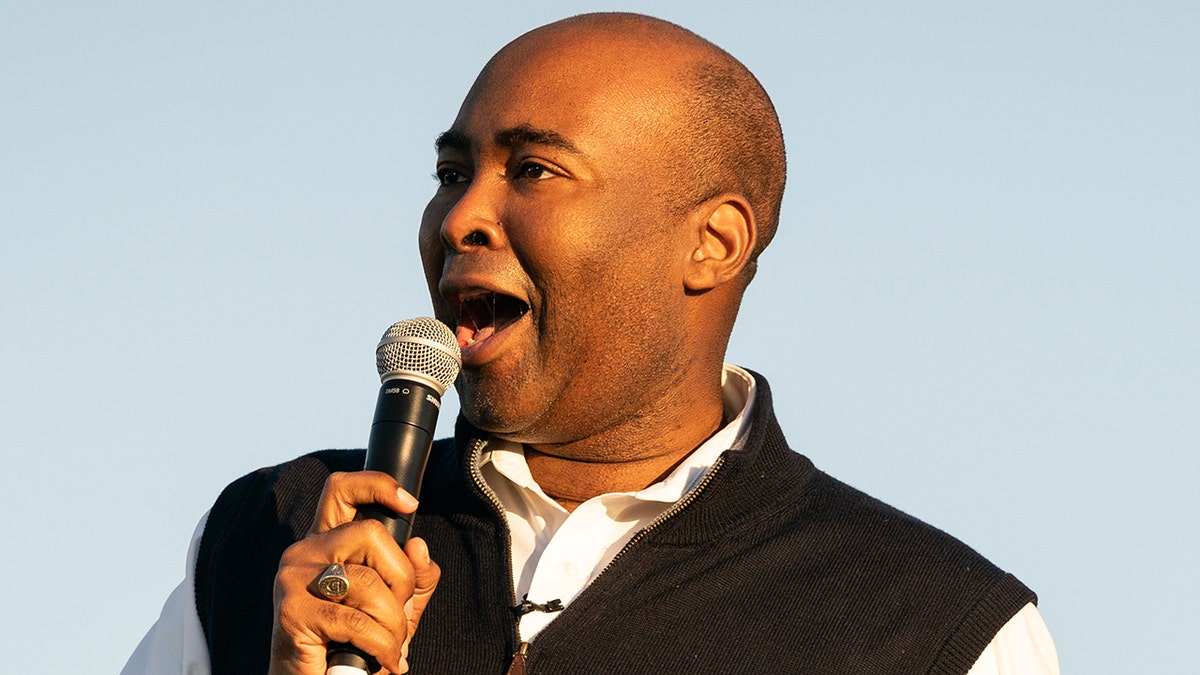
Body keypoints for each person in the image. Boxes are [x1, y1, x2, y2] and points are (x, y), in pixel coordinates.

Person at [124, 12, 1059, 675]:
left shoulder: (936, 628)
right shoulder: (266, 538)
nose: (462, 218)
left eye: (531, 169)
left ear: (713, 242)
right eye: (452, 172)